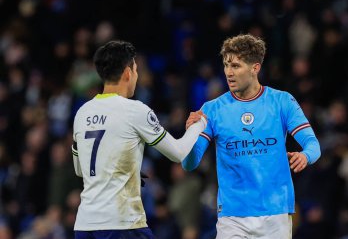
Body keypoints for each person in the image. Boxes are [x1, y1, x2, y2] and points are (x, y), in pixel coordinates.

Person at [182, 34, 321, 239]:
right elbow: (189, 164)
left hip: (275, 213)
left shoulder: (282, 101)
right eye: (226, 65)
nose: (229, 72)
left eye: (236, 66)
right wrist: (190, 136)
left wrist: (305, 156)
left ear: (255, 68)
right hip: (233, 217)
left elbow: (313, 145)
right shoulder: (211, 110)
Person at [71, 40, 206, 239]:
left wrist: (122, 165)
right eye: (135, 69)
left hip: (84, 225)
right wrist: (200, 124)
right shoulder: (135, 111)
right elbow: (178, 153)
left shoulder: (82, 113)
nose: (136, 75)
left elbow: (80, 169)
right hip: (121, 223)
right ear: (127, 73)